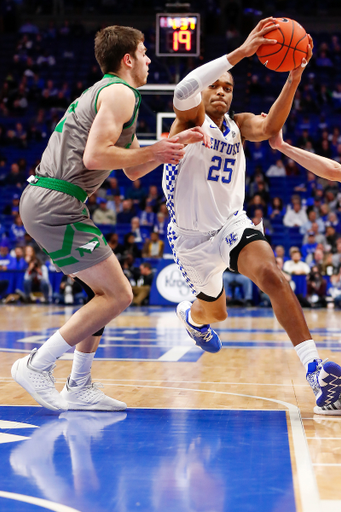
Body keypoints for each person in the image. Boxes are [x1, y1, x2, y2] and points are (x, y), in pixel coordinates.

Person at [11, 25, 207, 413]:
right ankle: (36, 366)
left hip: (56, 200)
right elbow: (95, 157)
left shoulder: (113, 96)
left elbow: (133, 170)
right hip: (56, 200)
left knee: (101, 292)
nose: (150, 59)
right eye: (145, 52)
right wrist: (159, 149)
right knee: (119, 294)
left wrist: (167, 148)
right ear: (127, 59)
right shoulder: (120, 93)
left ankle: (79, 385)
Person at [163, 17, 341, 414]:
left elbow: (272, 126)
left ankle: (314, 371)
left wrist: (293, 77)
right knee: (217, 312)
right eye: (217, 86)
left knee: (273, 276)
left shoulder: (238, 126)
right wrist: (241, 54)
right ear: (205, 91)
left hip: (231, 224)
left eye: (228, 88)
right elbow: (182, 89)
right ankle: (193, 316)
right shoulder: (188, 121)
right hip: (191, 239)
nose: (222, 92)